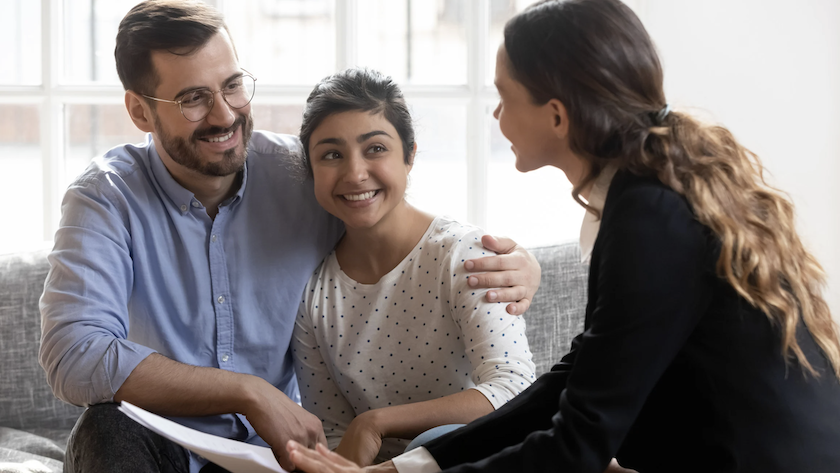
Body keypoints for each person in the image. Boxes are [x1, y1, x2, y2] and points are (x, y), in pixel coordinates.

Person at [286, 0, 840, 472]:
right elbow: (572, 379)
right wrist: (418, 463)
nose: (497, 114)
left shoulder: (650, 215)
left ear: (556, 115)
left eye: (505, 97)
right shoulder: (644, 194)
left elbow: (579, 440)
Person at [37, 2, 541, 472]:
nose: (225, 115)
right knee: (105, 427)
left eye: (232, 85)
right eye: (193, 99)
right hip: (164, 447)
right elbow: (74, 354)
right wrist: (248, 392)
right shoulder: (104, 198)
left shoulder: (304, 177)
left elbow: (391, 216)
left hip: (280, 457)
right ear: (140, 112)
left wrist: (519, 262)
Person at [289, 68, 537, 467]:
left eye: (375, 148)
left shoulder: (462, 255)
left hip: (475, 459)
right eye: (331, 154)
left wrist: (376, 423)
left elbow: (514, 388)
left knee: (439, 436)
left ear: (410, 156)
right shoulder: (313, 294)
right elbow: (334, 433)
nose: (355, 173)